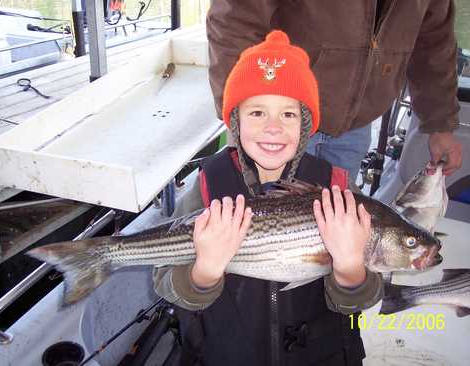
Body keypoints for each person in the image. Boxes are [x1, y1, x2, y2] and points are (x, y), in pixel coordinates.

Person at [153, 31, 383, 366]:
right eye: (257, 112)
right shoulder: (206, 187)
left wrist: (349, 270)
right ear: (235, 122)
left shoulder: (340, 193)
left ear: (304, 127)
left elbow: (364, 299)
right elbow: (164, 280)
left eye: (288, 114)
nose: (273, 127)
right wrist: (204, 271)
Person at [206, 0, 463, 180]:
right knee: (249, 220)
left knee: (329, 237)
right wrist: (248, 112)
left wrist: (440, 122)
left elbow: (434, 41)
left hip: (355, 127)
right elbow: (235, 20)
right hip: (281, 119)